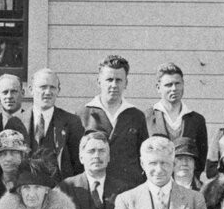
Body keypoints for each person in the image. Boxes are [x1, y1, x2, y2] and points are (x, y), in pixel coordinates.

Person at [77, 55, 146, 189]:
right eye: (109, 80)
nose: (114, 85)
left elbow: (143, 157)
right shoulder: (83, 115)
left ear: (126, 83)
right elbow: (76, 160)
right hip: (94, 190)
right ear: (99, 81)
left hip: (129, 189)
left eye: (118, 80)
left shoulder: (136, 116)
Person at [58, 132, 126, 209]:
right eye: (91, 151)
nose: (96, 156)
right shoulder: (66, 187)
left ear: (108, 157)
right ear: (81, 157)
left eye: (102, 151)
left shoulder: (122, 189)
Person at [145, 63, 208, 172]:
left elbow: (201, 159)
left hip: (185, 179)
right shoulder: (146, 117)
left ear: (183, 84)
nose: (174, 88)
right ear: (158, 88)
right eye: (168, 85)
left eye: (177, 84)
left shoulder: (197, 120)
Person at [28, 68, 84, 180]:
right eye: (43, 87)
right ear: (31, 89)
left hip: (60, 187)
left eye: (52, 87)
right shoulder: (18, 120)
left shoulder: (72, 122)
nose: (48, 92)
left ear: (58, 90)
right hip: (26, 186)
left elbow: (78, 164)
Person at [0, 74, 30, 173]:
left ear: (22, 93)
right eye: (5, 92)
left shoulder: (32, 122)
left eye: (14, 91)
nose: (9, 96)